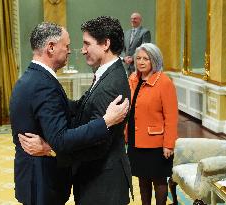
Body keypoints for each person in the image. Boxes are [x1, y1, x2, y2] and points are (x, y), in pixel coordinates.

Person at [9, 22, 129, 205]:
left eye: (86, 44)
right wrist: (105, 122)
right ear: (50, 47)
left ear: (105, 44)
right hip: (41, 181)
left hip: (100, 181)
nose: (74, 51)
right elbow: (60, 138)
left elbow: (97, 141)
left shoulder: (33, 77)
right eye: (66, 46)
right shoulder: (43, 83)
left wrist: (49, 148)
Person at [125, 43, 178, 205]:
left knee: (159, 180)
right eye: (138, 58)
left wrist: (168, 144)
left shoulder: (164, 82)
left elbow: (171, 116)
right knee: (142, 177)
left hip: (156, 141)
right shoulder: (133, 79)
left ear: (154, 61)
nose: (141, 62)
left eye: (146, 59)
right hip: (135, 138)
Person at [123, 12, 151, 77]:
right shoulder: (126, 33)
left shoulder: (145, 32)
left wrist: (133, 58)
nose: (133, 20)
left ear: (140, 20)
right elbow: (122, 48)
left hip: (138, 65)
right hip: (127, 66)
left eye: (135, 19)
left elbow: (144, 48)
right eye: (131, 19)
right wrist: (125, 58)